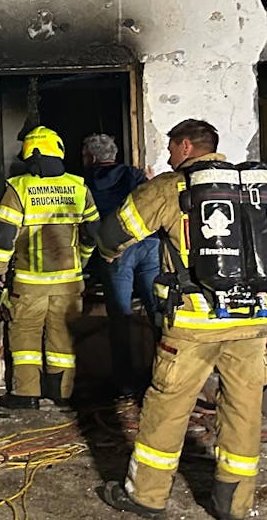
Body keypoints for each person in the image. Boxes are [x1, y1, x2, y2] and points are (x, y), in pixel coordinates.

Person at [97, 120, 267, 520]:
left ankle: (147, 496)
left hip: (192, 326)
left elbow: (112, 234)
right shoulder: (256, 193)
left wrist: (106, 254)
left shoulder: (170, 188)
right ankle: (234, 505)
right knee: (243, 412)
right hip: (251, 324)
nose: (168, 157)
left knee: (166, 409)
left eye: (171, 149)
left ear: (186, 146)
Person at [0, 126, 99, 407]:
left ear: (31, 154)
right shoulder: (78, 187)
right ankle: (61, 393)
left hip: (28, 285)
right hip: (69, 284)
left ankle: (26, 395)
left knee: (25, 339)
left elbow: (4, 235)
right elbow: (92, 233)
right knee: (62, 340)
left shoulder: (18, 188)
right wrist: (82, 260)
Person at [83, 132, 158, 398]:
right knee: (157, 310)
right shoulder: (134, 175)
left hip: (113, 251)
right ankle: (162, 378)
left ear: (91, 157)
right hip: (148, 245)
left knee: (120, 317)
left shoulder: (86, 182)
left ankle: (125, 384)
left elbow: (88, 223)